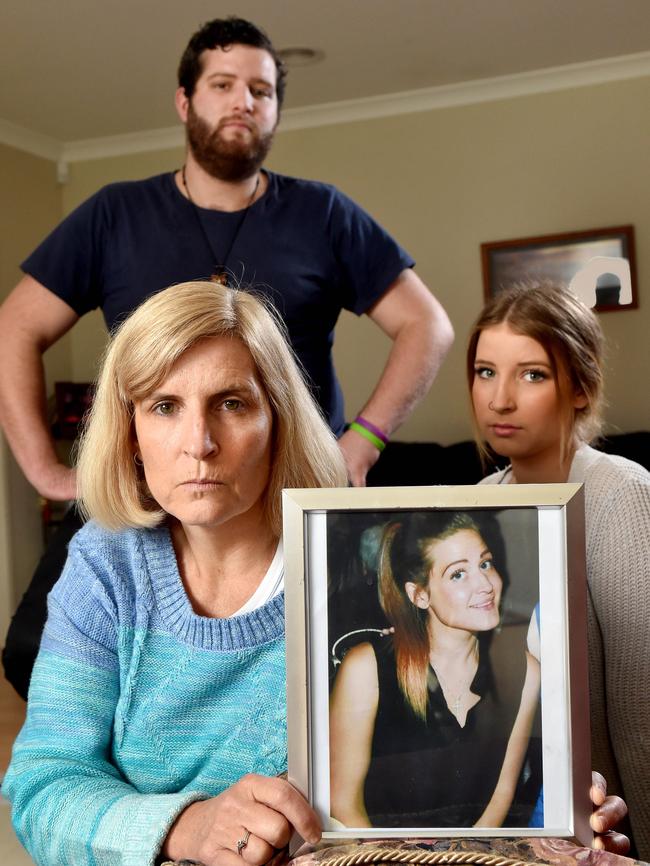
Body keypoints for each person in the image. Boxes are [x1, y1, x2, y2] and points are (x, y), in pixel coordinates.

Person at [0, 15, 453, 699]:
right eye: (223, 84)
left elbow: (428, 325)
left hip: (287, 497)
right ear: (185, 102)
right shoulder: (113, 216)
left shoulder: (323, 214)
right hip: (149, 496)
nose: (244, 102)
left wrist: (361, 441)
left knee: (337, 666)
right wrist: (42, 467)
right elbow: (15, 326)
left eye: (262, 91)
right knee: (35, 652)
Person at [1, 279, 349, 866]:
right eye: (165, 406)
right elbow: (43, 790)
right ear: (131, 431)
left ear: (278, 420)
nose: (200, 444)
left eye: (231, 404)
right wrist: (187, 828)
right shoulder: (104, 563)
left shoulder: (352, 565)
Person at [467, 281, 648, 859]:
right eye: (485, 371)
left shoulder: (622, 495)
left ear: (582, 387)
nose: (499, 400)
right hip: (511, 824)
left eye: (532, 374)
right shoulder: (475, 501)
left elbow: (639, 715)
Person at [329, 511, 542, 828]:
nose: (484, 584)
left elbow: (500, 800)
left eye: (485, 564)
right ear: (420, 594)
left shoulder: (525, 672)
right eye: (458, 574)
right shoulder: (366, 667)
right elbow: (343, 805)